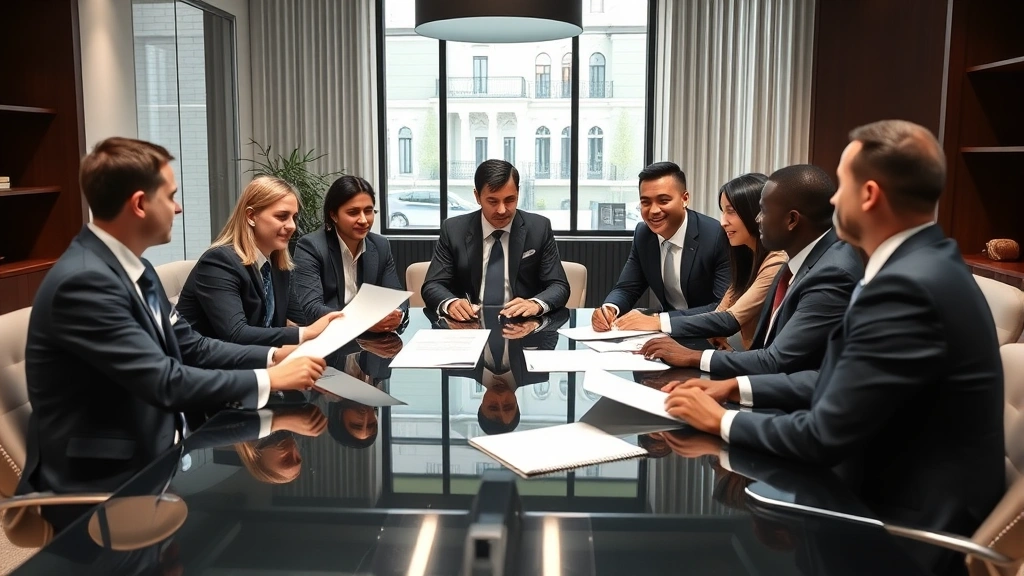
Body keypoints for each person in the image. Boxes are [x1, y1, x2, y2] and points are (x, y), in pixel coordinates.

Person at [661, 120, 1005, 575]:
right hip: (886, 489)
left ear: (868, 195)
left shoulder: (906, 287)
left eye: (840, 185)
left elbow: (823, 436)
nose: (832, 200)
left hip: (902, 533)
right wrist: (737, 389)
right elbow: (839, 382)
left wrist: (723, 422)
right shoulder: (923, 263)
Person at [18, 137, 326, 531]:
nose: (179, 207)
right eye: (172, 195)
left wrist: (272, 357)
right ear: (140, 204)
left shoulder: (136, 270)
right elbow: (163, 381)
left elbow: (190, 345)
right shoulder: (85, 282)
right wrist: (268, 379)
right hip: (102, 483)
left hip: (158, 451)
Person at [638, 164, 863, 377]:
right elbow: (724, 315)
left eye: (763, 210)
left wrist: (690, 353)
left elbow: (773, 357)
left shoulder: (829, 271)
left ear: (792, 219)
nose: (757, 218)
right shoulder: (790, 258)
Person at [622, 173, 787, 351]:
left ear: (756, 213)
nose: (723, 222)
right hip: (747, 358)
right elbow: (721, 312)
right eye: (723, 212)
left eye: (731, 211)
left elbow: (730, 320)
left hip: (764, 367)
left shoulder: (777, 260)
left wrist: (657, 322)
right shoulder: (747, 257)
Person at [176, 175, 343, 346]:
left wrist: (342, 321)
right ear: (251, 216)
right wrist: (306, 333)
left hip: (256, 364)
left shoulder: (279, 267)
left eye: (294, 217)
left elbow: (299, 319)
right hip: (203, 369)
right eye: (282, 216)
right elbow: (236, 334)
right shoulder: (218, 262)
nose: (292, 225)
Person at [592, 161, 731, 334]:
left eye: (663, 201)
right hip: (664, 333)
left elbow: (721, 306)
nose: (654, 210)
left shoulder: (715, 235)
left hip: (708, 333)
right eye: (645, 202)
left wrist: (660, 321)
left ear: (685, 199)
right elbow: (627, 288)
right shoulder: (644, 234)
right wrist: (609, 309)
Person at [421, 159, 570, 319]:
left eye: (510, 200)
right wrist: (451, 303)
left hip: (525, 325)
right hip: (470, 324)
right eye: (492, 201)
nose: (501, 210)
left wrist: (535, 304)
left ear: (518, 193)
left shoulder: (539, 228)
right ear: (477, 196)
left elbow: (559, 285)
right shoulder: (454, 230)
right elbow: (433, 285)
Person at [292, 175, 407, 331]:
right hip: (324, 339)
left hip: (370, 343)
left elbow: (396, 296)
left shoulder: (380, 246)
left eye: (368, 211)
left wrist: (397, 314)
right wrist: (364, 322)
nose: (363, 220)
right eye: (353, 213)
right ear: (333, 215)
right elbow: (313, 309)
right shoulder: (311, 246)